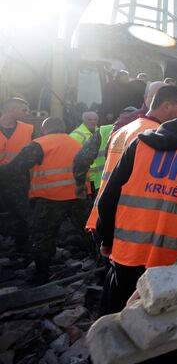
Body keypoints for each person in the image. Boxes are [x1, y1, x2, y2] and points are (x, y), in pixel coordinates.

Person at [97, 91, 177, 315]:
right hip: (176, 265)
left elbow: (108, 198)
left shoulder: (140, 145)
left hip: (127, 254)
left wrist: (106, 238)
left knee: (122, 323)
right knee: (166, 333)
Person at [1, 117, 95, 284]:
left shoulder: (39, 144)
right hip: (79, 197)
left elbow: (15, 169)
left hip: (50, 199)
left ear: (45, 129)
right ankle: (100, 266)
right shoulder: (76, 143)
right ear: (63, 127)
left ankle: (41, 275)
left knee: (43, 237)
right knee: (88, 232)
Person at [85, 85, 177, 233]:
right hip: (126, 220)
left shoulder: (125, 129)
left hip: (104, 214)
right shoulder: (154, 135)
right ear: (166, 106)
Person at [0, 97, 35, 254]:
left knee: (21, 211)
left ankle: (22, 246)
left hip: (18, 177)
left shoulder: (29, 129)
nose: (27, 113)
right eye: (24, 110)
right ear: (11, 110)